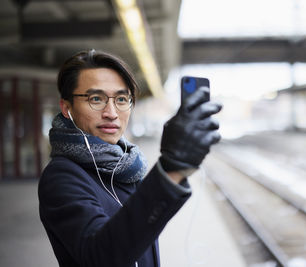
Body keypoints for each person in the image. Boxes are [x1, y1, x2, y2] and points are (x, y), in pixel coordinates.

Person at [38, 49, 222, 267]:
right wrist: (171, 168)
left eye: (122, 99)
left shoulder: (126, 167)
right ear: (67, 108)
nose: (112, 113)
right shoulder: (61, 176)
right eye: (96, 99)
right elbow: (101, 256)